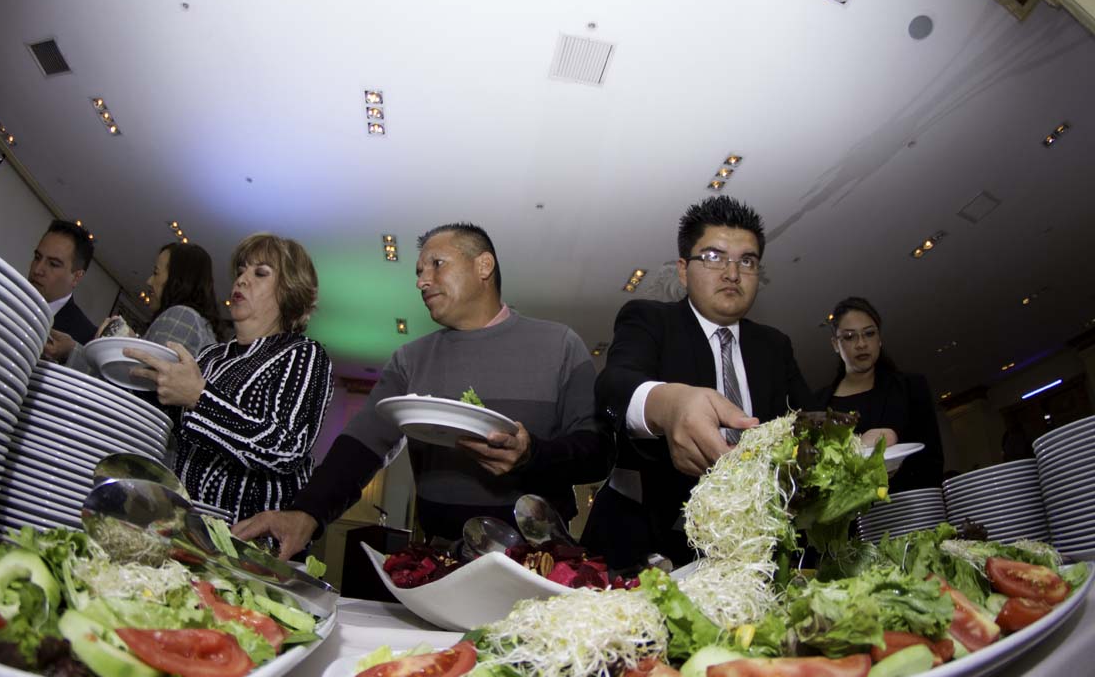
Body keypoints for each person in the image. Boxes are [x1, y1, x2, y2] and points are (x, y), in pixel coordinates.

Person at [234, 222, 612, 560]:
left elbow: (597, 452)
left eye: (436, 264)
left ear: (484, 266)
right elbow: (360, 447)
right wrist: (306, 513)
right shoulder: (410, 360)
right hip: (440, 563)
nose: (421, 281)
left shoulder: (560, 345)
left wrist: (532, 454)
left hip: (542, 564)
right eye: (419, 271)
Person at [581, 195, 812, 568]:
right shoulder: (649, 320)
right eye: (714, 257)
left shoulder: (775, 345)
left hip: (747, 550)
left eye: (747, 261)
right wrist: (669, 405)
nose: (732, 273)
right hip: (644, 547)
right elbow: (614, 387)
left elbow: (807, 421)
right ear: (684, 270)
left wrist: (852, 444)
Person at [124, 233, 334, 523]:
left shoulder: (303, 355)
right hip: (184, 526)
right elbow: (169, 428)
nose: (242, 280)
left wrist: (199, 399)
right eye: (241, 271)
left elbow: (286, 449)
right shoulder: (211, 356)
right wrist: (127, 363)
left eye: (260, 273)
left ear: (289, 290)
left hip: (247, 540)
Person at [814, 296, 944, 492]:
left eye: (869, 333)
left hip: (910, 502)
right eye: (849, 337)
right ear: (835, 344)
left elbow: (932, 459)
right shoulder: (819, 404)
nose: (861, 344)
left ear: (879, 338)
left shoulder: (910, 387)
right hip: (849, 509)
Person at [66, 242, 224, 375]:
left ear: (178, 280)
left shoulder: (182, 315)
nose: (149, 281)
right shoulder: (200, 326)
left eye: (156, 273)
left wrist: (105, 349)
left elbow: (142, 385)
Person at [29, 219, 97, 356]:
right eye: (37, 257)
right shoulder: (5, 300)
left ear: (76, 277)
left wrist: (70, 355)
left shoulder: (87, 340)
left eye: (53, 264)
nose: (37, 270)